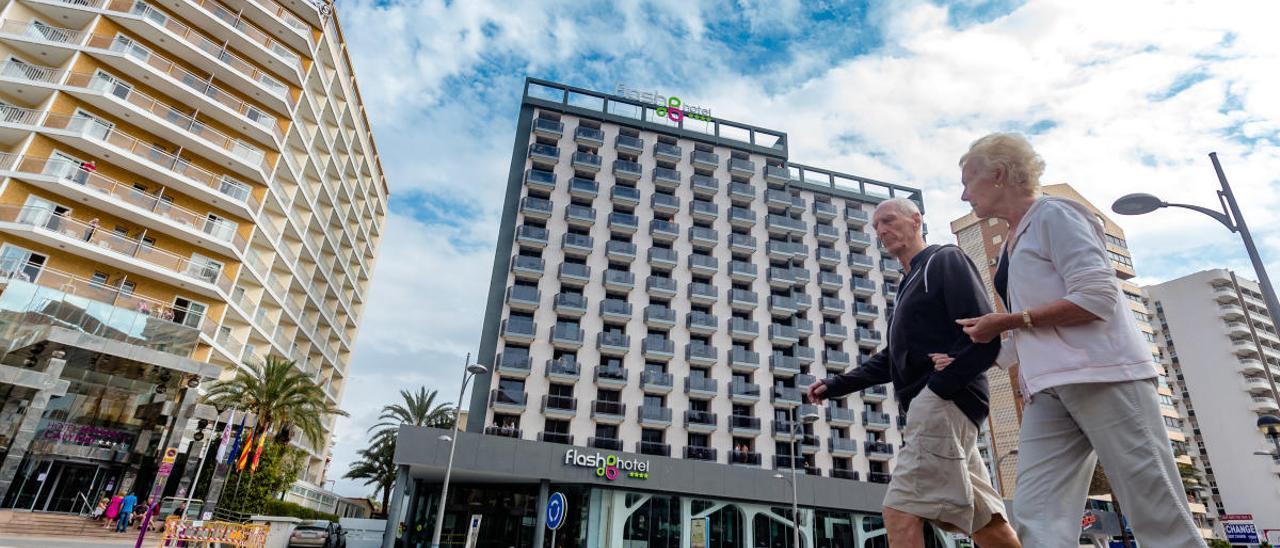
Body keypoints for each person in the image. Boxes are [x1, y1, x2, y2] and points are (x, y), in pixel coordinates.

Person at [944, 132, 1205, 547]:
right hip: (1047, 389)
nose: (962, 196)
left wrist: (1007, 320)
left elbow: (1097, 298)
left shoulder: (1056, 215)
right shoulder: (1011, 241)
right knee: (1037, 516)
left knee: (1155, 509)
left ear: (997, 174)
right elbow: (1029, 330)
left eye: (966, 181)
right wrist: (966, 360)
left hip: (1104, 376)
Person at [806, 198, 1020, 547]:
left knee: (899, 512)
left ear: (916, 220)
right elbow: (895, 358)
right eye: (876, 227)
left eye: (888, 221)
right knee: (986, 523)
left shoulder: (943, 260)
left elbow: (983, 333)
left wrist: (940, 386)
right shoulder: (907, 284)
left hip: (944, 403)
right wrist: (835, 386)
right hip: (942, 404)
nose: (882, 231)